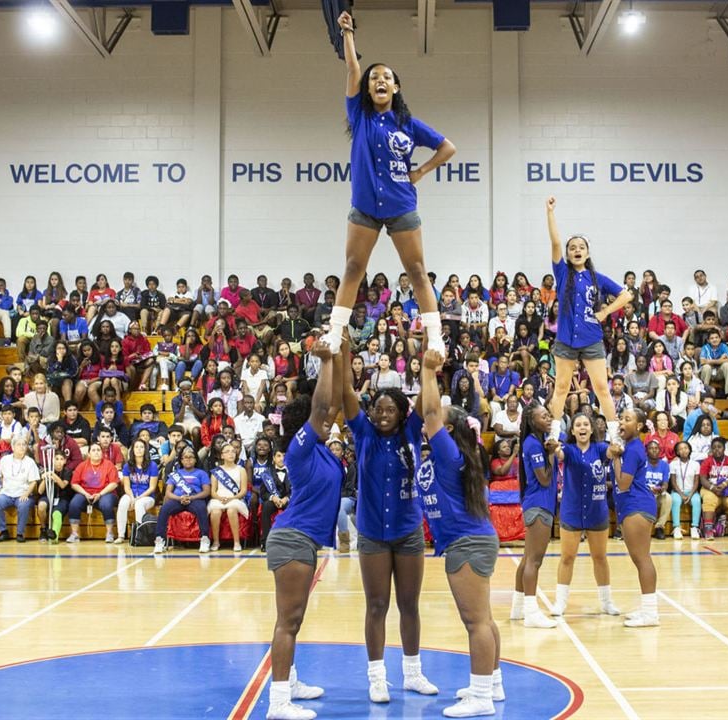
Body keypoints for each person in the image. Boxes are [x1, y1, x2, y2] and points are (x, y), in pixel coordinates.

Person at [323, 11, 456, 360]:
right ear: (368, 88)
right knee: (353, 269)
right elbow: (352, 69)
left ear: (396, 88)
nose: (380, 80)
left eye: (387, 77)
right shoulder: (360, 114)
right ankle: (336, 333)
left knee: (416, 271)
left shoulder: (408, 123)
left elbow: (448, 147)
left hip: (401, 206)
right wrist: (348, 35)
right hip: (365, 207)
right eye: (375, 77)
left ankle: (436, 337)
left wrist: (422, 171)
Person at [341, 338, 437, 702]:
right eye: (377, 410)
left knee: (409, 604)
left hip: (408, 531)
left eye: (389, 410)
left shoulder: (412, 432)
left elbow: (428, 400)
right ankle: (377, 677)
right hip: (372, 535)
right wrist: (344, 354)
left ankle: (412, 673)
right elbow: (348, 393)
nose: (382, 415)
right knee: (377, 605)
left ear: (401, 413)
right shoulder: (363, 433)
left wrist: (428, 357)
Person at [414, 348, 503, 717]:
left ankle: (481, 697)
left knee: (476, 621)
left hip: (469, 543)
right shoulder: (447, 457)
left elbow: (431, 412)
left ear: (447, 431)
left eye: (436, 422)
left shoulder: (449, 454)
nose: (425, 423)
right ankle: (492, 684)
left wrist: (429, 370)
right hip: (468, 541)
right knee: (484, 617)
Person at [263, 341, 340, 720]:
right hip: (292, 539)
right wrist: (325, 361)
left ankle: (289, 681)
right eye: (320, 420)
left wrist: (340, 357)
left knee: (295, 619)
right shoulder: (299, 448)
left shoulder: (323, 449)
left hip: (303, 542)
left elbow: (334, 403)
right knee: (288, 622)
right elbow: (323, 406)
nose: (328, 422)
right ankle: (278, 703)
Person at [543, 197, 632, 443]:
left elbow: (626, 295)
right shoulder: (561, 273)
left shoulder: (598, 277)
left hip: (592, 340)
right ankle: (553, 434)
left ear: (588, 252)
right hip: (565, 340)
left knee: (602, 388)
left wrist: (605, 312)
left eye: (581, 246)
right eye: (572, 248)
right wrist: (550, 212)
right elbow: (555, 241)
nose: (576, 250)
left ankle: (614, 436)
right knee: (561, 388)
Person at [548, 413, 620, 619]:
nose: (582, 427)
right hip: (571, 511)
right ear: (572, 431)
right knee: (567, 557)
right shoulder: (568, 450)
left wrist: (615, 443)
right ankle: (560, 602)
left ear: (591, 429)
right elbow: (559, 454)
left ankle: (607, 602)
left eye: (585, 424)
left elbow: (611, 451)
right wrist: (554, 444)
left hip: (597, 511)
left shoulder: (599, 448)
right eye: (578, 424)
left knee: (600, 557)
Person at [607, 408, 660, 627]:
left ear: (638, 427)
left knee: (642, 559)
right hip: (633, 506)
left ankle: (650, 613)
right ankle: (647, 609)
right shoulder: (630, 447)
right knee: (641, 559)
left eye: (627, 419)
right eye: (621, 418)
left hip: (637, 505)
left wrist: (617, 458)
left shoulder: (633, 449)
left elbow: (623, 483)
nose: (622, 422)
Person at [510, 404, 558, 629]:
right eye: (544, 416)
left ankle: (518, 608)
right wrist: (550, 454)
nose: (548, 418)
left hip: (536, 503)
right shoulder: (534, 445)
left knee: (527, 559)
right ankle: (531, 612)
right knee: (534, 561)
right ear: (531, 420)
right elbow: (545, 480)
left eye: (549, 415)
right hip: (539, 504)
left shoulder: (535, 442)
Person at [153, 446, 212, 554]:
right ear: (181, 460)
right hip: (177, 499)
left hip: (195, 498)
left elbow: (206, 492)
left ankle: (205, 539)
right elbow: (168, 493)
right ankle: (160, 540)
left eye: (191, 457)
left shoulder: (201, 473)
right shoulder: (176, 474)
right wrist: (180, 498)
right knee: (164, 509)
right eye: (185, 457)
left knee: (202, 508)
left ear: (195, 459)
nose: (188, 459)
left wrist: (192, 497)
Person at [65, 443, 120, 543]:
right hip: (86, 493)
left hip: (105, 493)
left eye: (98, 450)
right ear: (89, 454)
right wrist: (85, 493)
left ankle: (109, 533)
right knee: (74, 503)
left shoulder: (109, 465)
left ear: (102, 453)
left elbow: (114, 483)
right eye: (93, 450)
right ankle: (74, 534)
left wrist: (100, 494)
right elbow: (74, 484)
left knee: (106, 504)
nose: (96, 452)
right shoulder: (82, 466)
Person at [0, 436, 40, 542]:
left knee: (23, 504)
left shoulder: (30, 462)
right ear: (12, 447)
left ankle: (20, 533)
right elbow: (1, 477)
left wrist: (26, 494)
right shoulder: (4, 460)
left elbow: (33, 482)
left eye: (24, 445)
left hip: (23, 492)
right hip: (7, 493)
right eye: (19, 445)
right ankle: (3, 531)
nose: (22, 447)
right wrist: (1, 490)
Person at [698, 437, 728, 540]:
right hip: (711, 489)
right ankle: (708, 531)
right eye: (714, 447)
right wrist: (713, 488)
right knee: (708, 499)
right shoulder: (707, 461)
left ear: (724, 449)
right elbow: (703, 479)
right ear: (711, 450)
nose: (717, 449)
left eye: (719, 447)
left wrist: (725, 484)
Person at [114, 439, 159, 544]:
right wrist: (132, 497)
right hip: (132, 494)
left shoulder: (152, 465)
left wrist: (138, 498)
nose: (139, 449)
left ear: (145, 450)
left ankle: (140, 536)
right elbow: (127, 487)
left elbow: (152, 487)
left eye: (141, 447)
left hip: (148, 496)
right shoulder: (127, 466)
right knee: (123, 502)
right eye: (136, 447)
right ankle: (121, 535)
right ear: (132, 450)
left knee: (139, 504)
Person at [209, 442, 251, 552]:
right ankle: (216, 541)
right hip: (219, 498)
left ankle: (236, 542)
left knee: (231, 510)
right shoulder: (216, 471)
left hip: (236, 498)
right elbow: (213, 491)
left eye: (233, 451)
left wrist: (233, 498)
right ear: (221, 455)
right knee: (215, 512)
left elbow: (243, 491)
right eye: (227, 452)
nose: (231, 454)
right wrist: (219, 498)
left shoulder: (241, 469)